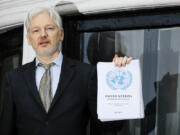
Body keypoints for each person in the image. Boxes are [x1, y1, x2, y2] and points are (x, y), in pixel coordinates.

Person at [0, 7, 132, 135]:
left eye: (49, 28)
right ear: (28, 39)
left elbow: (110, 126)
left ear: (61, 34)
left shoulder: (86, 75)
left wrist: (119, 75)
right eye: (36, 30)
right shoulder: (13, 79)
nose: (43, 34)